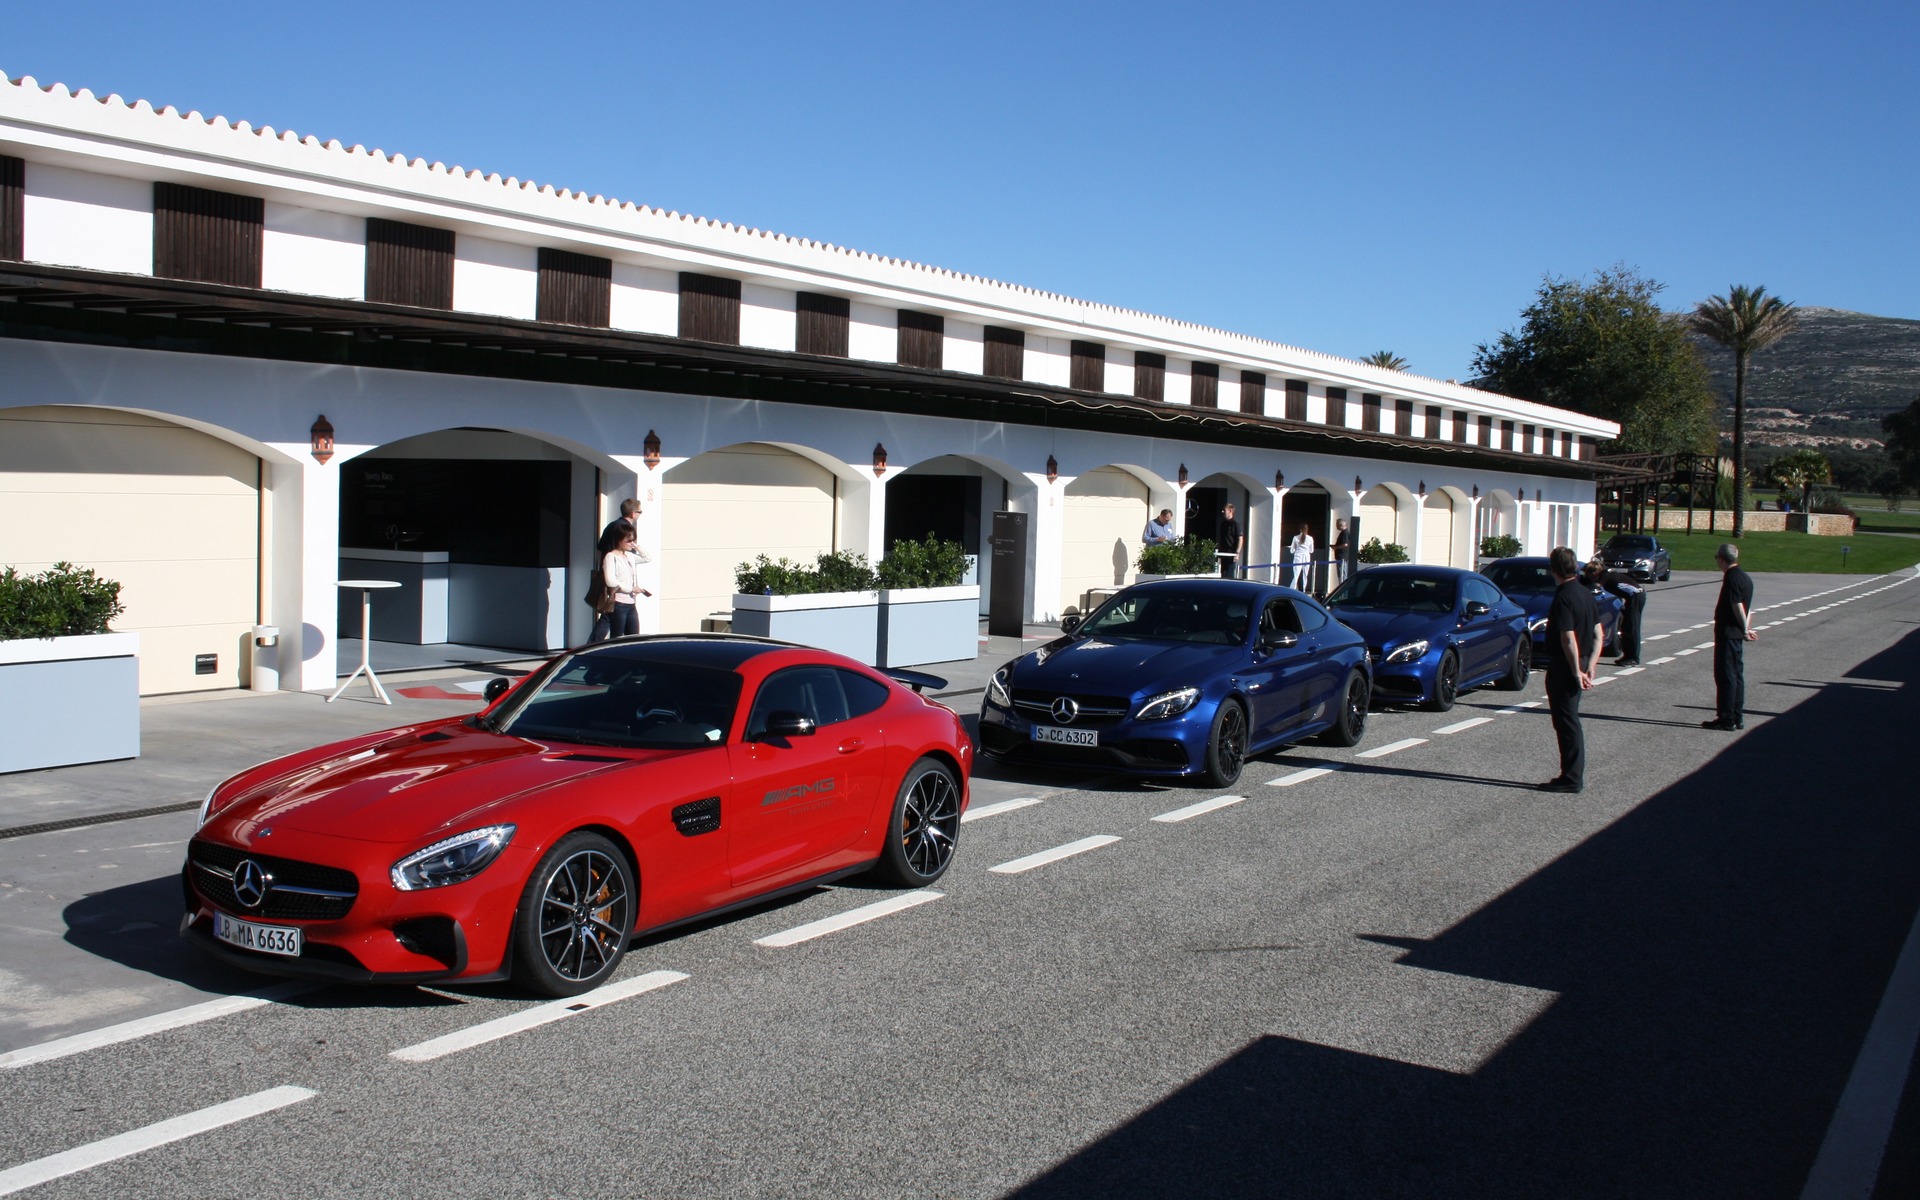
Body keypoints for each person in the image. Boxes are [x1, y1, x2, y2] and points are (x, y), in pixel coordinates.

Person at [1540, 546, 1602, 794]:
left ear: (1554, 570)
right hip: (1582, 661)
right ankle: (1570, 773)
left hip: (1565, 666)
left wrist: (1576, 670)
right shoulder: (1585, 594)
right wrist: (1591, 666)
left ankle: (1572, 776)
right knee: (1570, 719)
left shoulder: (1563, 597)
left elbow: (1568, 638)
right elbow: (1598, 634)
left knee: (1566, 722)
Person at [1703, 542, 1757, 730]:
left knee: (1725, 675)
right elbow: (1748, 608)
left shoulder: (1732, 578)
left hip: (1728, 633)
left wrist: (1744, 629)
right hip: (1736, 634)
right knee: (1736, 675)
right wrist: (1747, 628)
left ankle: (1726, 717)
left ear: (1721, 559)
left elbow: (1737, 606)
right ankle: (1737, 715)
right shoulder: (1745, 578)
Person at [588, 523, 651, 642]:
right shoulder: (611, 557)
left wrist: (636, 547)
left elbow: (647, 558)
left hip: (631, 603)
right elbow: (611, 581)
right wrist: (631, 589)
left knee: (634, 638)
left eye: (633, 540)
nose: (631, 543)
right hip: (619, 604)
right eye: (628, 540)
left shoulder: (629, 556)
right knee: (617, 638)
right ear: (618, 540)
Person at [1219, 501, 1244, 578]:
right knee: (1223, 574)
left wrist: (1237, 553)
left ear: (1230, 511)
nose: (1223, 512)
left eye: (1225, 510)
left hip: (1231, 554)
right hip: (1224, 553)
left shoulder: (1235, 524)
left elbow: (1240, 538)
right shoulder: (1223, 524)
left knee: (1229, 575)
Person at [1288, 523, 1315, 589]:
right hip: (1306, 557)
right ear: (1307, 529)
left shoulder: (1295, 537)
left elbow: (1292, 550)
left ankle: (1293, 588)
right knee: (1305, 575)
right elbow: (1311, 550)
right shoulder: (1310, 538)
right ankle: (1304, 589)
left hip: (1298, 556)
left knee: (1296, 574)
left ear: (1300, 529)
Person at [1330, 519, 1350, 586]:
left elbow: (1345, 544)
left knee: (1342, 575)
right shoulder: (1343, 533)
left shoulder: (1345, 533)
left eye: (1337, 524)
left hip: (1342, 556)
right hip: (1340, 557)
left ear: (1340, 525)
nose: (1336, 526)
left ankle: (1343, 589)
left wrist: (1335, 547)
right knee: (1340, 575)